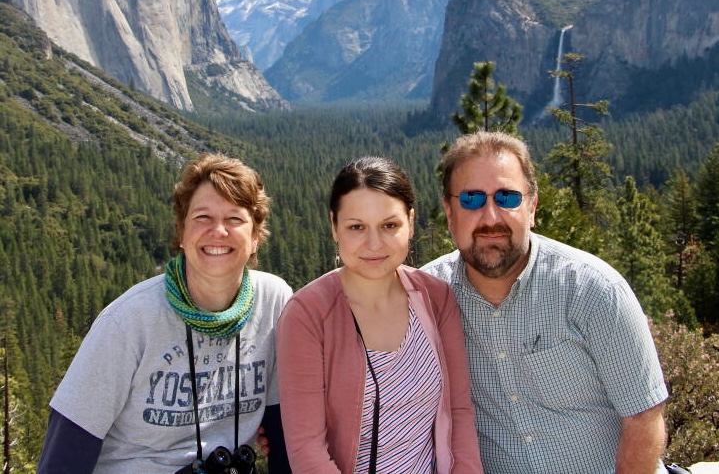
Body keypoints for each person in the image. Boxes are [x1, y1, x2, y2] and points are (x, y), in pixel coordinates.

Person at [421, 130, 669, 474]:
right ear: (449, 212)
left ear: (532, 207)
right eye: (472, 200)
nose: (491, 217)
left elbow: (643, 416)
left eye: (507, 198)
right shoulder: (427, 299)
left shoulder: (594, 290)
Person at [37, 153, 292, 473]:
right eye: (202, 217)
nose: (218, 231)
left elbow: (282, 424)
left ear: (255, 237)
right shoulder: (129, 321)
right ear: (181, 233)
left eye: (234, 219)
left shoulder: (274, 301)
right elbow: (64, 455)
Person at [276, 156, 484, 473]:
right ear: (334, 226)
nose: (374, 244)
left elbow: (458, 412)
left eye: (389, 225)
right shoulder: (307, 314)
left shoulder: (435, 298)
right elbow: (307, 450)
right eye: (356, 227)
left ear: (411, 223)